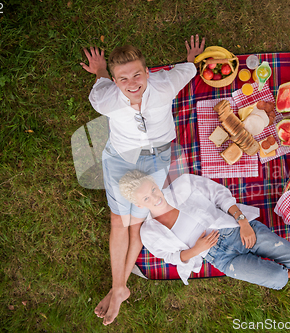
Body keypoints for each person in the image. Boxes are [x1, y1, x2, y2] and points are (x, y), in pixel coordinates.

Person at [79, 35, 206, 325]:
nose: (132, 82)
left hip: (157, 156)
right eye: (123, 78)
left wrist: (191, 58)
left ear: (148, 72)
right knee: (118, 221)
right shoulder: (104, 100)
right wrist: (99, 70)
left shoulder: (164, 86)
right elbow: (100, 83)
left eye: (138, 74)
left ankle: (119, 288)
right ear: (114, 81)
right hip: (121, 159)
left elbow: (187, 71)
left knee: (136, 222)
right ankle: (118, 286)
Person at [119, 170, 290, 314]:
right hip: (219, 257)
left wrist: (242, 222)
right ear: (137, 203)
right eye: (146, 198)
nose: (155, 198)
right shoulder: (148, 231)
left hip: (234, 231)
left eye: (153, 189)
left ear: (155, 183)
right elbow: (170, 257)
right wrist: (196, 250)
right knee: (277, 279)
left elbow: (220, 196)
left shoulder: (183, 184)